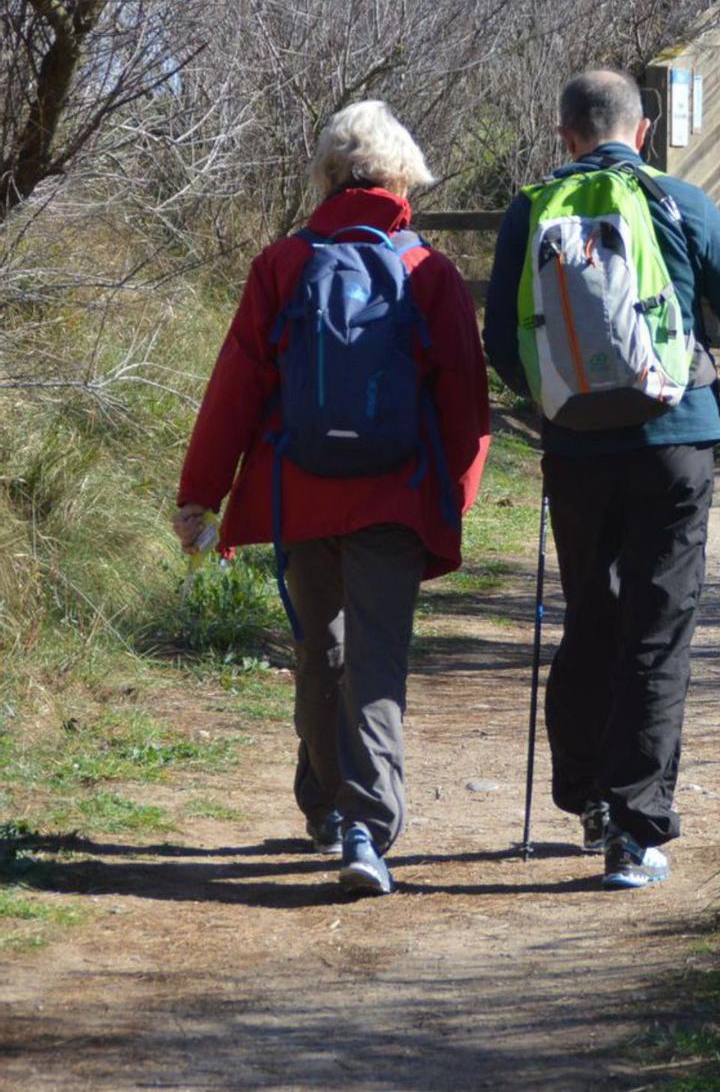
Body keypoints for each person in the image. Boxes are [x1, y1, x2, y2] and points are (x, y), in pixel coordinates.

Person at [173, 101, 490, 896]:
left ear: (325, 173)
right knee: (375, 662)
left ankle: (324, 800)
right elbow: (465, 406)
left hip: (297, 495)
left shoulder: (281, 265)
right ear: (403, 176)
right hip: (394, 498)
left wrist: (201, 495)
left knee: (323, 650)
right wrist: (453, 499)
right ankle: (363, 827)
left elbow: (235, 388)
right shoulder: (430, 271)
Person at [484, 67, 720, 889]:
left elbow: (503, 343)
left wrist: (557, 403)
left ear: (565, 136)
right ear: (642, 132)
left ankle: (587, 800)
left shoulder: (530, 208)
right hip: (674, 444)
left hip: (576, 453)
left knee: (591, 616)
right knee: (657, 626)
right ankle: (634, 828)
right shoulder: (683, 204)